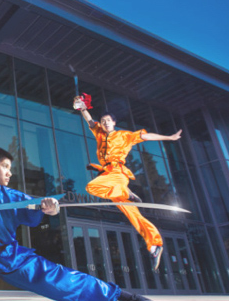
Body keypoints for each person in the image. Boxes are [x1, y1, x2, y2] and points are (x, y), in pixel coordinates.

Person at [0, 147, 154, 301]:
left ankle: (123, 296)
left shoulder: (15, 197)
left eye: (10, 168)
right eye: (5, 166)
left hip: (11, 257)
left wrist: (50, 209)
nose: (10, 172)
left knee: (62, 280)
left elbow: (39, 211)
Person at [74, 95, 182, 268]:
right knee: (133, 214)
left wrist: (169, 138)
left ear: (114, 122)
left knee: (92, 187)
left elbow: (146, 137)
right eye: (103, 121)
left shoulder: (125, 135)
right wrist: (82, 107)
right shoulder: (100, 133)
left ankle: (127, 193)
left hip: (118, 172)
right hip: (109, 175)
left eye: (108, 120)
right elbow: (89, 120)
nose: (106, 123)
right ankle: (155, 245)